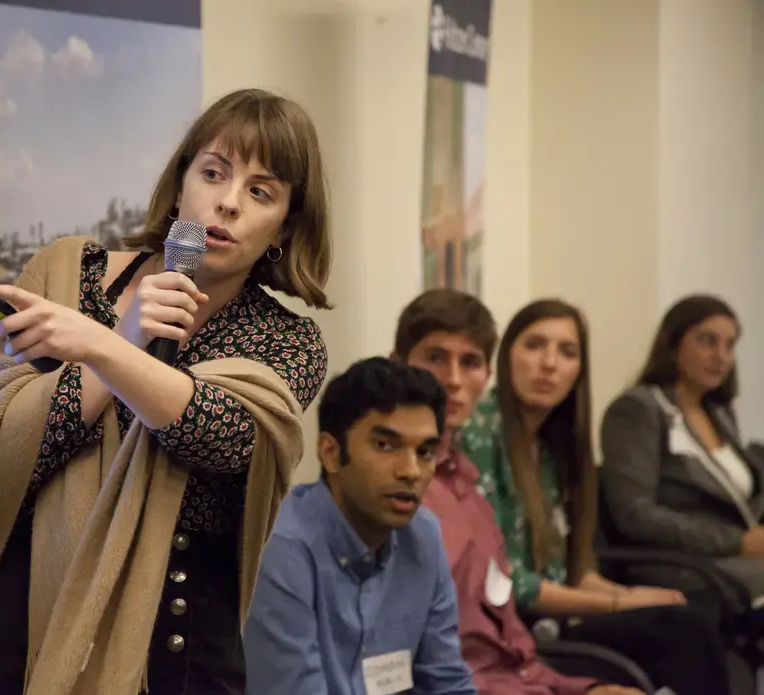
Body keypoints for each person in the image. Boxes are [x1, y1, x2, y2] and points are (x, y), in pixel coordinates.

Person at [0, 88, 332, 695]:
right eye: (214, 173)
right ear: (181, 182)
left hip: (176, 647)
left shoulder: (285, 341)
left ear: (285, 227)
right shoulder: (66, 276)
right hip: (22, 622)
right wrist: (122, 334)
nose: (228, 203)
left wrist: (102, 346)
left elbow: (221, 438)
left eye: (261, 191)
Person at [457, 297, 730, 694]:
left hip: (555, 617)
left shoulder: (554, 446)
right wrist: (619, 604)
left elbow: (568, 570)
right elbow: (509, 583)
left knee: (686, 610)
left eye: (567, 351)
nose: (549, 364)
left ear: (579, 369)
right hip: (511, 636)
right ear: (505, 356)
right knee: (685, 629)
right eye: (534, 345)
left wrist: (628, 593)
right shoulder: (480, 434)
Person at [396, 289, 642, 695]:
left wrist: (582, 689)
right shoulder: (404, 487)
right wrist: (622, 603)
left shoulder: (467, 484)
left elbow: (512, 647)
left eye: (470, 362)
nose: (453, 380)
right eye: (436, 357)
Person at [243, 357, 476, 695]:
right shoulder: (282, 546)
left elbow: (447, 681)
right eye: (385, 445)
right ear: (331, 453)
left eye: (425, 452)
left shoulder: (423, 535)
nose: (411, 471)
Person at [600, 295, 764, 602]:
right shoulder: (637, 409)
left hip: (738, 557)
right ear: (674, 345)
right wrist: (738, 542)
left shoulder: (720, 413)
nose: (722, 357)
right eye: (708, 342)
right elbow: (637, 516)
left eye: (729, 346)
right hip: (683, 564)